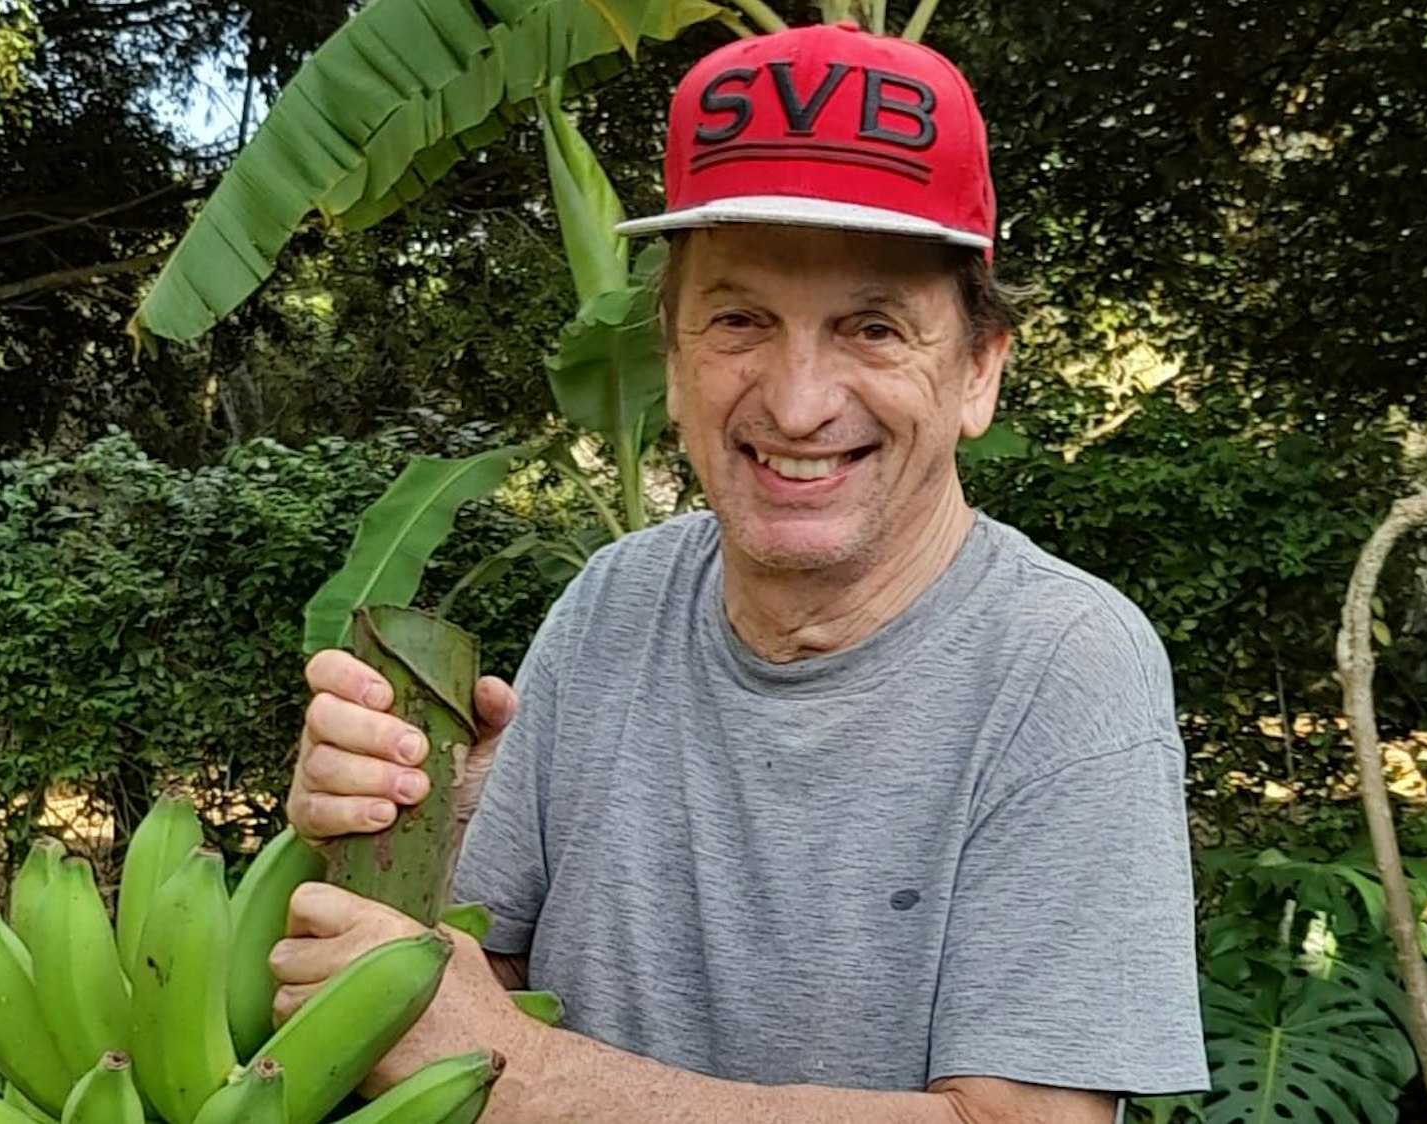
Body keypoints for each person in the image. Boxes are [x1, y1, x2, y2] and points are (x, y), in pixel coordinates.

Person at [269, 20, 1210, 1124]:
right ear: (669, 359)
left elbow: (1021, 1122)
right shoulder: (613, 600)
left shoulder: (1059, 662)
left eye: (871, 326)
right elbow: (475, 979)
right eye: (738, 319)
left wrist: (523, 1073)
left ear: (976, 374)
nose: (797, 400)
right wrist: (374, 822)